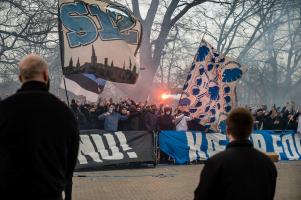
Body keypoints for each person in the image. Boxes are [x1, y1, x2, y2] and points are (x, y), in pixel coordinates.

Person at [0, 53, 79, 200]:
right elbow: (70, 163)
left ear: (20, 77)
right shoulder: (65, 113)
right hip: (50, 194)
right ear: (45, 75)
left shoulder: (4, 110)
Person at [194, 107, 277, 200]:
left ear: (227, 130)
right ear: (251, 130)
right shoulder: (267, 163)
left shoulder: (215, 163)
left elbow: (201, 196)